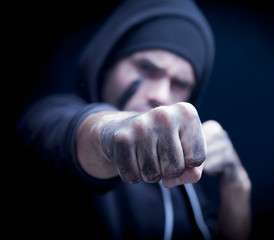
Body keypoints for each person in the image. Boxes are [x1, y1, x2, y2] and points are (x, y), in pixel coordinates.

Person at [15, 0, 251, 239]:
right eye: (146, 68)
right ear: (107, 64)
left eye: (179, 84)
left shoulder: (183, 177)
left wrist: (236, 183)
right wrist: (111, 132)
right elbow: (71, 135)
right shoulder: (48, 119)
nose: (160, 95)